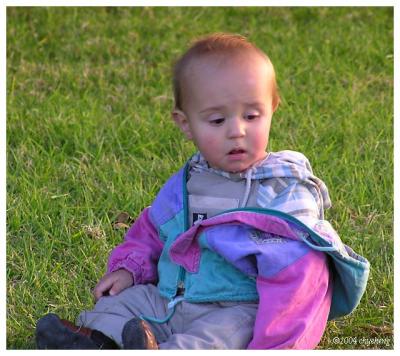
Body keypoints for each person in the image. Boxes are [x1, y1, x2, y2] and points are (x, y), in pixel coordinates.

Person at [36, 33, 369, 350]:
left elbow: (299, 278)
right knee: (124, 305)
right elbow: (152, 231)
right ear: (185, 124)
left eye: (252, 115)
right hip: (169, 298)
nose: (237, 131)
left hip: (237, 306)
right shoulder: (188, 182)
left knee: (216, 338)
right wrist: (129, 269)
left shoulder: (282, 192)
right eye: (216, 121)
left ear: (272, 109)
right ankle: (96, 340)